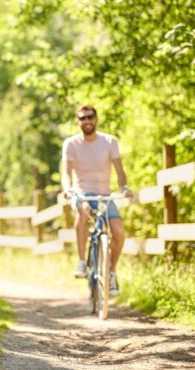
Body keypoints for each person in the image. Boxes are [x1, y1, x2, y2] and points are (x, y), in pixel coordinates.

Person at [61, 105, 132, 296]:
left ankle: (111, 272)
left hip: (104, 195)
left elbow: (119, 171)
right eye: (82, 118)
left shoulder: (109, 141)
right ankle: (82, 261)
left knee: (118, 230)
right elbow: (66, 172)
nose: (87, 121)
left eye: (90, 117)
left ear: (96, 118)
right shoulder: (71, 143)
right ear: (78, 121)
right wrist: (67, 189)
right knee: (83, 210)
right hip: (82, 193)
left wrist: (124, 188)